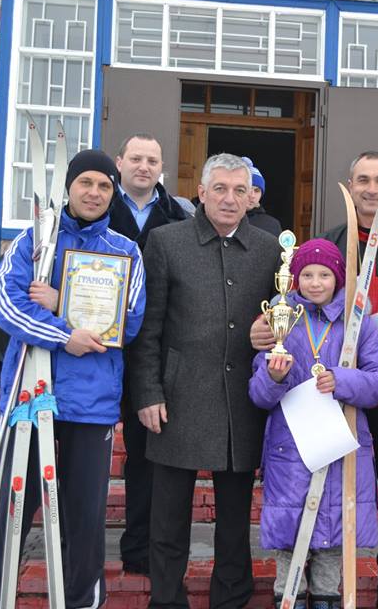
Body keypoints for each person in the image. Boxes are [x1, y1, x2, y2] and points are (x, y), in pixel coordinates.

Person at [254, 150, 378, 609]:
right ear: (351, 183)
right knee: (334, 501)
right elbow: (299, 305)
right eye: (363, 179)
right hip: (340, 406)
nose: (372, 189)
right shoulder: (331, 242)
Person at [0, 149, 146, 607]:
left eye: (105, 186)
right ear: (70, 188)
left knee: (84, 516)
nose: (94, 193)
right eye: (86, 183)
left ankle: (81, 600)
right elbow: (6, 305)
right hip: (32, 391)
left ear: (114, 194)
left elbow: (127, 322)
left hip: (91, 401)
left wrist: (61, 302)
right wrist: (63, 335)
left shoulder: (124, 252)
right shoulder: (35, 242)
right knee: (10, 509)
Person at [128, 153, 283, 608]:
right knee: (169, 516)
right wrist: (148, 391)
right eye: (220, 189)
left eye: (239, 190)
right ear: (201, 191)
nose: (230, 199)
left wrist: (272, 330)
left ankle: (230, 598)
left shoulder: (270, 248)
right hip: (178, 397)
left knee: (234, 520)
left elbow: (285, 320)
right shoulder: (165, 242)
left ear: (250, 195)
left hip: (241, 403)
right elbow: (147, 329)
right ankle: (167, 599)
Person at [248, 238, 378, 609]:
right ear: (294, 279)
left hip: (339, 449)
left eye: (324, 274)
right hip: (290, 451)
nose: (315, 282)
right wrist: (275, 377)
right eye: (307, 274)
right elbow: (259, 396)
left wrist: (343, 381)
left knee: (331, 549)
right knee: (289, 547)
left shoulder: (356, 322)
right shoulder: (280, 319)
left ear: (338, 278)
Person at [110, 133, 190, 576]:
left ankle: (139, 547)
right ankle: (69, 544)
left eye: (152, 160)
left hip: (155, 354)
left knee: (145, 455)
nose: (144, 166)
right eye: (136, 158)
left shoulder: (176, 214)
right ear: (120, 162)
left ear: (162, 168)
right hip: (97, 352)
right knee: (83, 452)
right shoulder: (101, 205)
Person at [242, 157, 282, 237]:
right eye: (248, 188)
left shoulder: (272, 225)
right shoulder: (224, 219)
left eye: (257, 190)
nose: (252, 195)